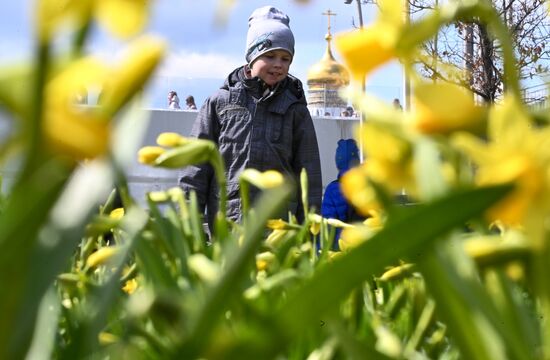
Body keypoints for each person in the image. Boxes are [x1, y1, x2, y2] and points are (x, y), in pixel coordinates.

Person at [179, 6, 322, 233]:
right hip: (228, 221)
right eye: (269, 55)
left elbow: (309, 173)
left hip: (278, 226)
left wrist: (310, 228)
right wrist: (188, 222)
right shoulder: (220, 103)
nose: (278, 64)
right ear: (251, 57)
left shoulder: (296, 110)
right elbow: (196, 166)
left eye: (286, 58)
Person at [321, 139, 361, 248]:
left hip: (342, 247)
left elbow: (328, 224)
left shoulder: (332, 189)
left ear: (337, 162)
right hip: (364, 243)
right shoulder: (366, 186)